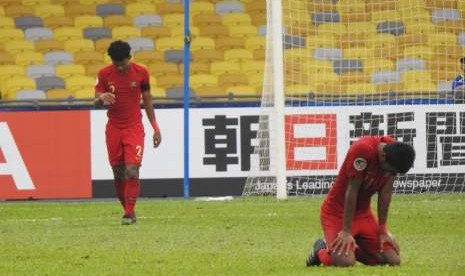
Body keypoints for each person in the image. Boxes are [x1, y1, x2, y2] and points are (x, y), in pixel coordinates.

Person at [306, 136, 415, 267]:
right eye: (390, 170)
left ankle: (349, 248)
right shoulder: (362, 150)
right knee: (345, 263)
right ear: (383, 156)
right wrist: (346, 231)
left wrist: (383, 229)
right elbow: (352, 191)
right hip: (336, 213)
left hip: (363, 215)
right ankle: (320, 250)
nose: (391, 174)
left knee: (392, 260)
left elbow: (385, 193)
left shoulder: (394, 152)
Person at [94, 40, 161, 225]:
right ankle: (128, 211)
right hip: (114, 128)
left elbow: (147, 100)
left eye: (123, 63)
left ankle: (129, 214)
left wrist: (155, 127)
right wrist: (101, 98)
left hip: (134, 128)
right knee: (118, 172)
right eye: (117, 64)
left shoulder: (141, 73)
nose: (120, 67)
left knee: (132, 170)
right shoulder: (104, 74)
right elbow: (95, 101)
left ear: (130, 58)